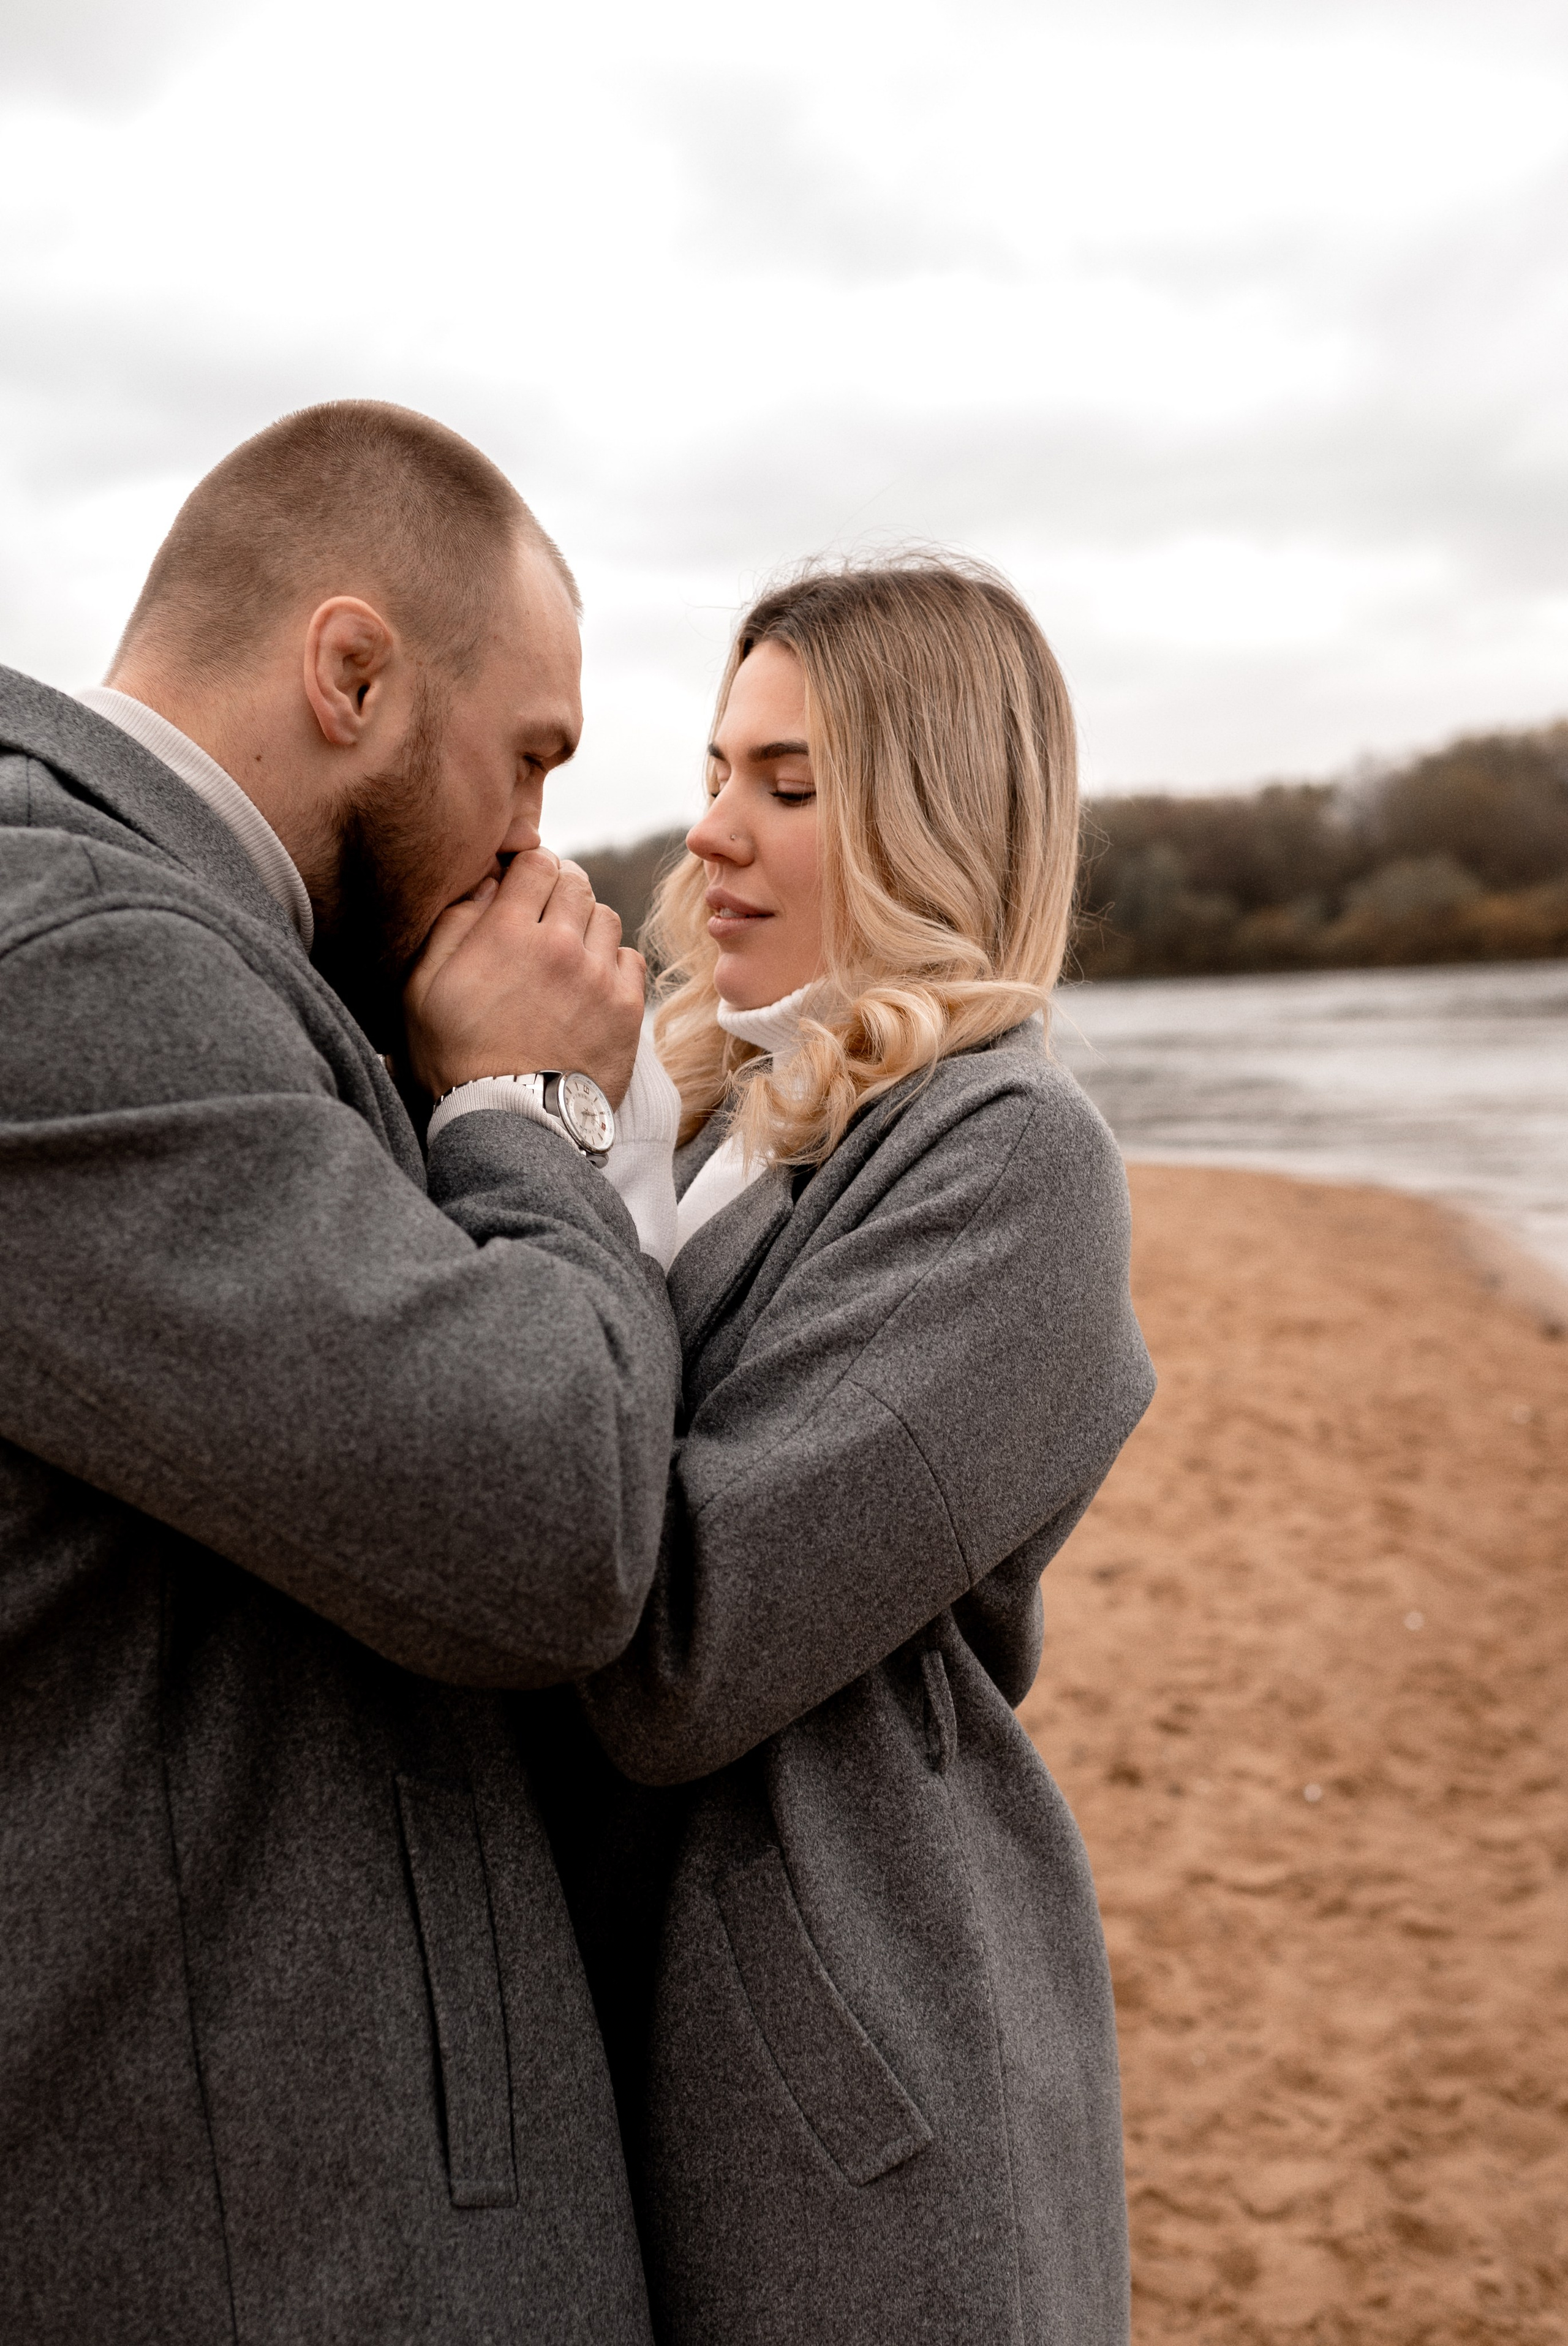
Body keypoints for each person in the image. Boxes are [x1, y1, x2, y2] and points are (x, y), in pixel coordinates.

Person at [0, 401, 681, 2343]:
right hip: (258, 2259)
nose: (534, 844)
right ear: (353, 671)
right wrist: (532, 1106)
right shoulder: (67, 948)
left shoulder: (193, 947)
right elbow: (542, 1517)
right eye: (529, 761)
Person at [533, 557, 1157, 2345]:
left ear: (936, 816)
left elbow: (685, 1645)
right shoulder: (693, 1101)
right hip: (622, 2025)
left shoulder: (1016, 1161)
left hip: (852, 2069)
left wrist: (555, 1151)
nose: (710, 834)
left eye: (788, 787)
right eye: (720, 770)